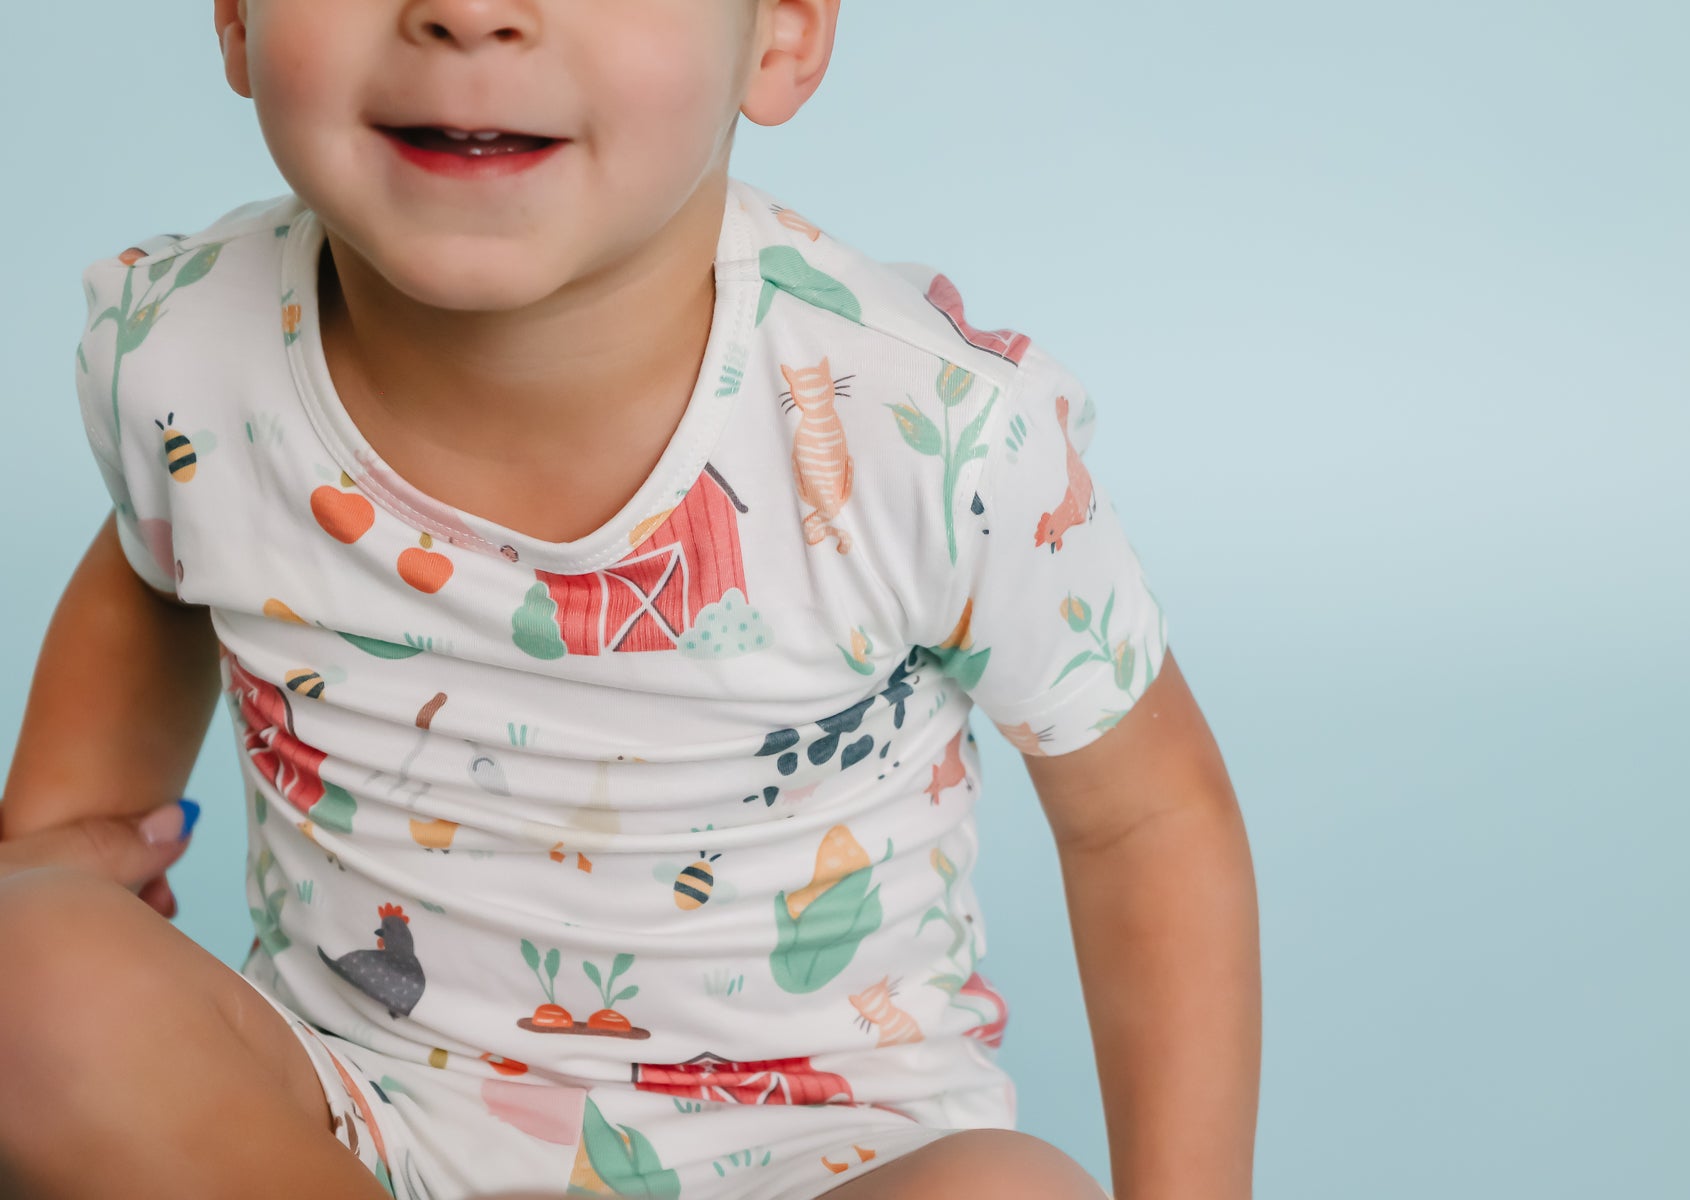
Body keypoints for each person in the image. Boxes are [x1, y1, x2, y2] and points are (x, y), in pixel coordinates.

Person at [0, 2, 1262, 1198]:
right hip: (343, 1126)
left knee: (1013, 1192)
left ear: (780, 29)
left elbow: (1147, 820)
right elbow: (161, 561)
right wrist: (64, 849)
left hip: (817, 1156)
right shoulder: (187, 353)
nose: (469, 12)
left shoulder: (925, 430)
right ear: (235, 14)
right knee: (20, 974)